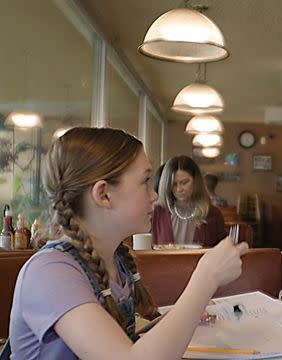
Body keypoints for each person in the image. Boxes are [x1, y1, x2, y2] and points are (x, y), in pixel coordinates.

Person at [7, 127, 248, 359]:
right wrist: (206, 278)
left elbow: (119, 341)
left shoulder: (116, 260)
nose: (154, 195)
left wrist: (186, 316)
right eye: (145, 181)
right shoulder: (51, 272)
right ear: (104, 195)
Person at [153, 155, 227, 247]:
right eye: (174, 184)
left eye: (184, 182)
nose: (179, 189)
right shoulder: (157, 213)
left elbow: (222, 251)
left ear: (196, 181)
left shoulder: (213, 214)